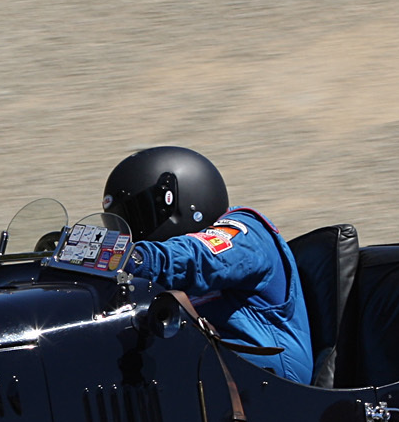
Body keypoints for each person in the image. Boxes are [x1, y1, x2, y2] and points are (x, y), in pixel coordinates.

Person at [104, 146, 312, 383]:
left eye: (136, 217)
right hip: (211, 379)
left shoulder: (244, 230)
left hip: (272, 384)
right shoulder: (151, 268)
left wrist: (135, 257)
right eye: (119, 224)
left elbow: (198, 257)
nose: (130, 233)